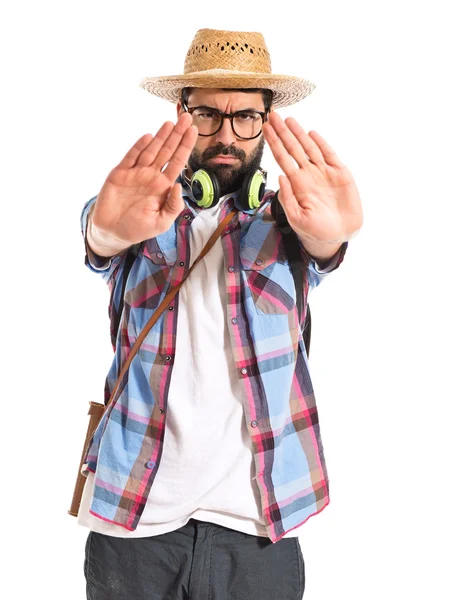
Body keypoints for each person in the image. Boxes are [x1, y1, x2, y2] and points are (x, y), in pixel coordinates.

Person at [77, 28, 363, 600]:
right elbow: (100, 237)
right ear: (183, 115)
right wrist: (105, 231)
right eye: (207, 115)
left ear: (267, 122)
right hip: (135, 526)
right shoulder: (140, 207)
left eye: (246, 117)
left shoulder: (292, 220)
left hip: (258, 529)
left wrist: (333, 240)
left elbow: (323, 250)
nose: (226, 135)